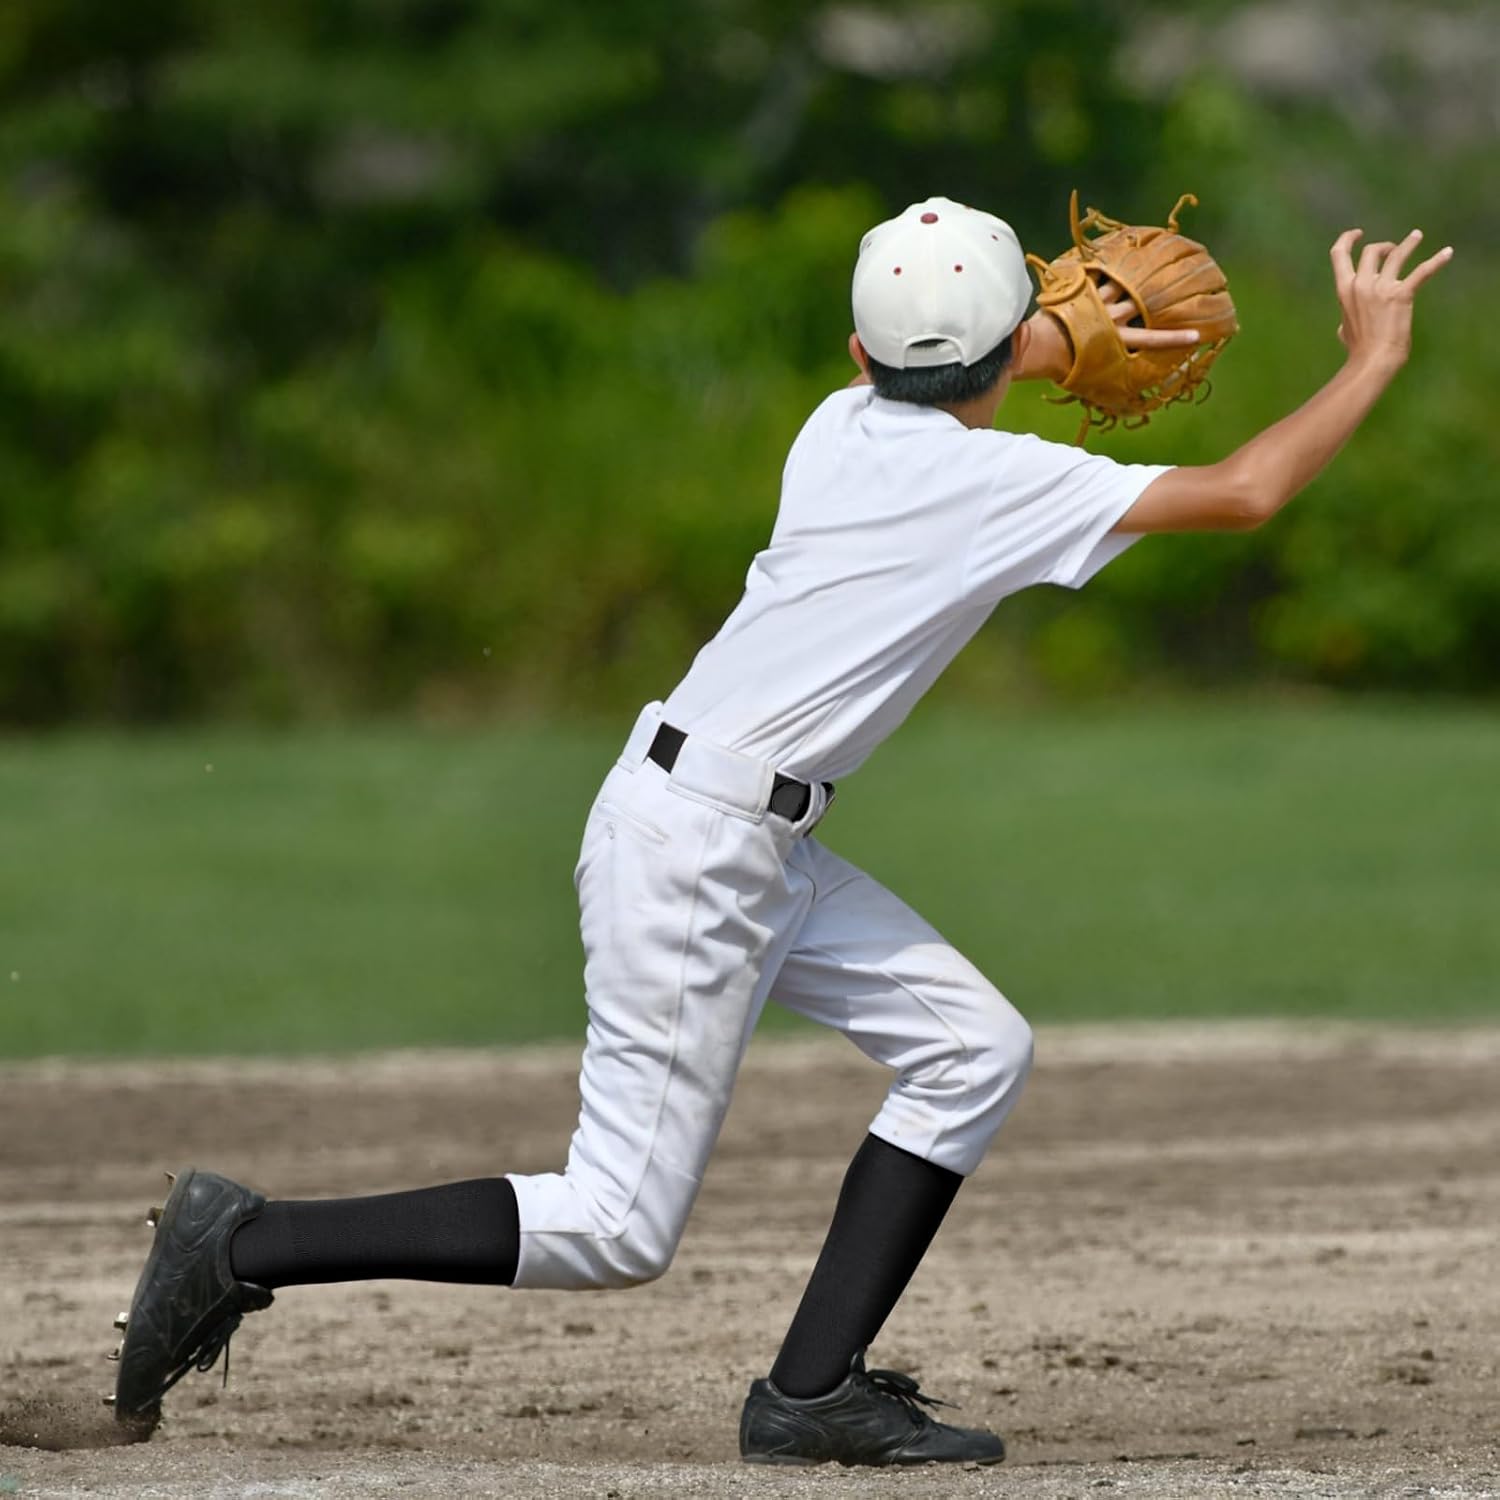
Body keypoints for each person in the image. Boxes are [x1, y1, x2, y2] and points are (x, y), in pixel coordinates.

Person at [111, 200, 1450, 1467]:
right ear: (1001, 347)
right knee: (614, 1225)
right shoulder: (996, 485)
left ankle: (811, 1394)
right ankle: (248, 1243)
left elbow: (956, 366)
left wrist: (1038, 332)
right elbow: (1247, 491)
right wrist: (1371, 358)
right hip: (699, 856)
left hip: (736, 834)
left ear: (860, 351)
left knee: (971, 1049)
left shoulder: (840, 423)